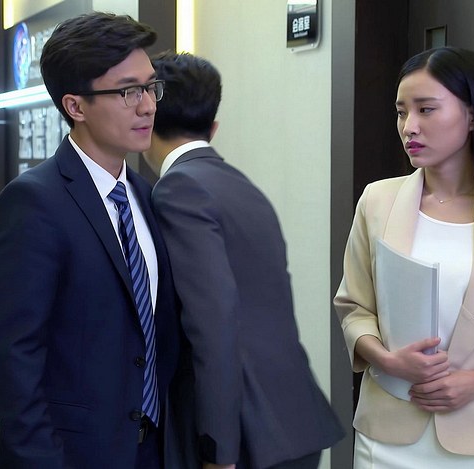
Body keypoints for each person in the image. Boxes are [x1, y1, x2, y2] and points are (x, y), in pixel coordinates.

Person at [334, 46, 474, 468]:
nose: (409, 127)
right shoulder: (377, 200)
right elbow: (354, 307)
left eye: (426, 109)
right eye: (401, 112)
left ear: (472, 116)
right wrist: (387, 360)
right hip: (389, 434)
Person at [0, 12, 180, 469]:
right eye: (128, 91)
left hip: (150, 449)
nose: (147, 106)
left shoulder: (145, 196)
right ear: (75, 106)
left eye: (151, 87)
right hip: (71, 455)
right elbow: (14, 357)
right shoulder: (33, 202)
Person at [143, 51, 344, 469]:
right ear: (213, 127)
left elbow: (212, 321)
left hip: (244, 434)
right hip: (293, 418)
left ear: (148, 119)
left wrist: (218, 447)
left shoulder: (178, 189)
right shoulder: (242, 186)